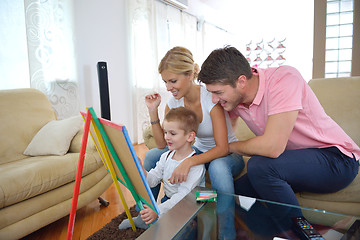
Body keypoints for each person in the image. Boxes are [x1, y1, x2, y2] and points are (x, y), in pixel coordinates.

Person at [198, 45, 360, 207]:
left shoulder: (284, 78)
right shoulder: (234, 101)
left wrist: (229, 147)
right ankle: (191, 206)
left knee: (258, 166)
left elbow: (272, 148)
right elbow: (224, 131)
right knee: (236, 192)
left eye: (218, 93)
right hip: (291, 163)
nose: (214, 99)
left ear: (241, 81)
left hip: (337, 159)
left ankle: (294, 231)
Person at [144, 46, 244, 239]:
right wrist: (152, 111)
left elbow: (222, 148)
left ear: (190, 75)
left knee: (218, 168)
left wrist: (189, 161)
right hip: (197, 150)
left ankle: (226, 233)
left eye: (173, 81)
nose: (168, 87)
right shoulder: (173, 102)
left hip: (227, 154)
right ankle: (150, 213)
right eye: (165, 81)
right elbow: (160, 145)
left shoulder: (210, 99)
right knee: (151, 156)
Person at [119, 107, 205, 229]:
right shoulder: (166, 156)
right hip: (169, 200)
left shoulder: (195, 165)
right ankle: (143, 220)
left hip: (189, 205)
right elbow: (153, 180)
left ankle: (192, 223)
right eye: (165, 132)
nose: (167, 137)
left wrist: (158, 211)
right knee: (161, 223)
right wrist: (141, 170)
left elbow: (182, 196)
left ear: (190, 137)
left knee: (172, 231)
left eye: (172, 133)